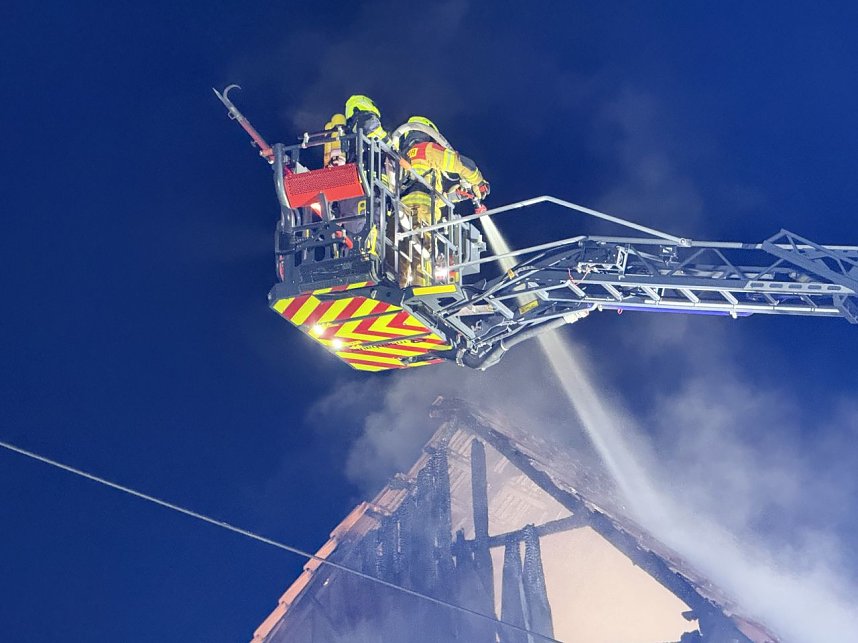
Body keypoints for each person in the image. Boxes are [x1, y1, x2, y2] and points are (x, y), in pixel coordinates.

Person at [399, 116, 489, 286]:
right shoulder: (426, 149)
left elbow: (428, 193)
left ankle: (404, 285)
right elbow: (462, 163)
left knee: (404, 252)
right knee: (422, 251)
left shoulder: (401, 157)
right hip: (423, 211)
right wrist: (479, 182)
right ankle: (419, 290)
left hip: (401, 210)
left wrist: (455, 195)